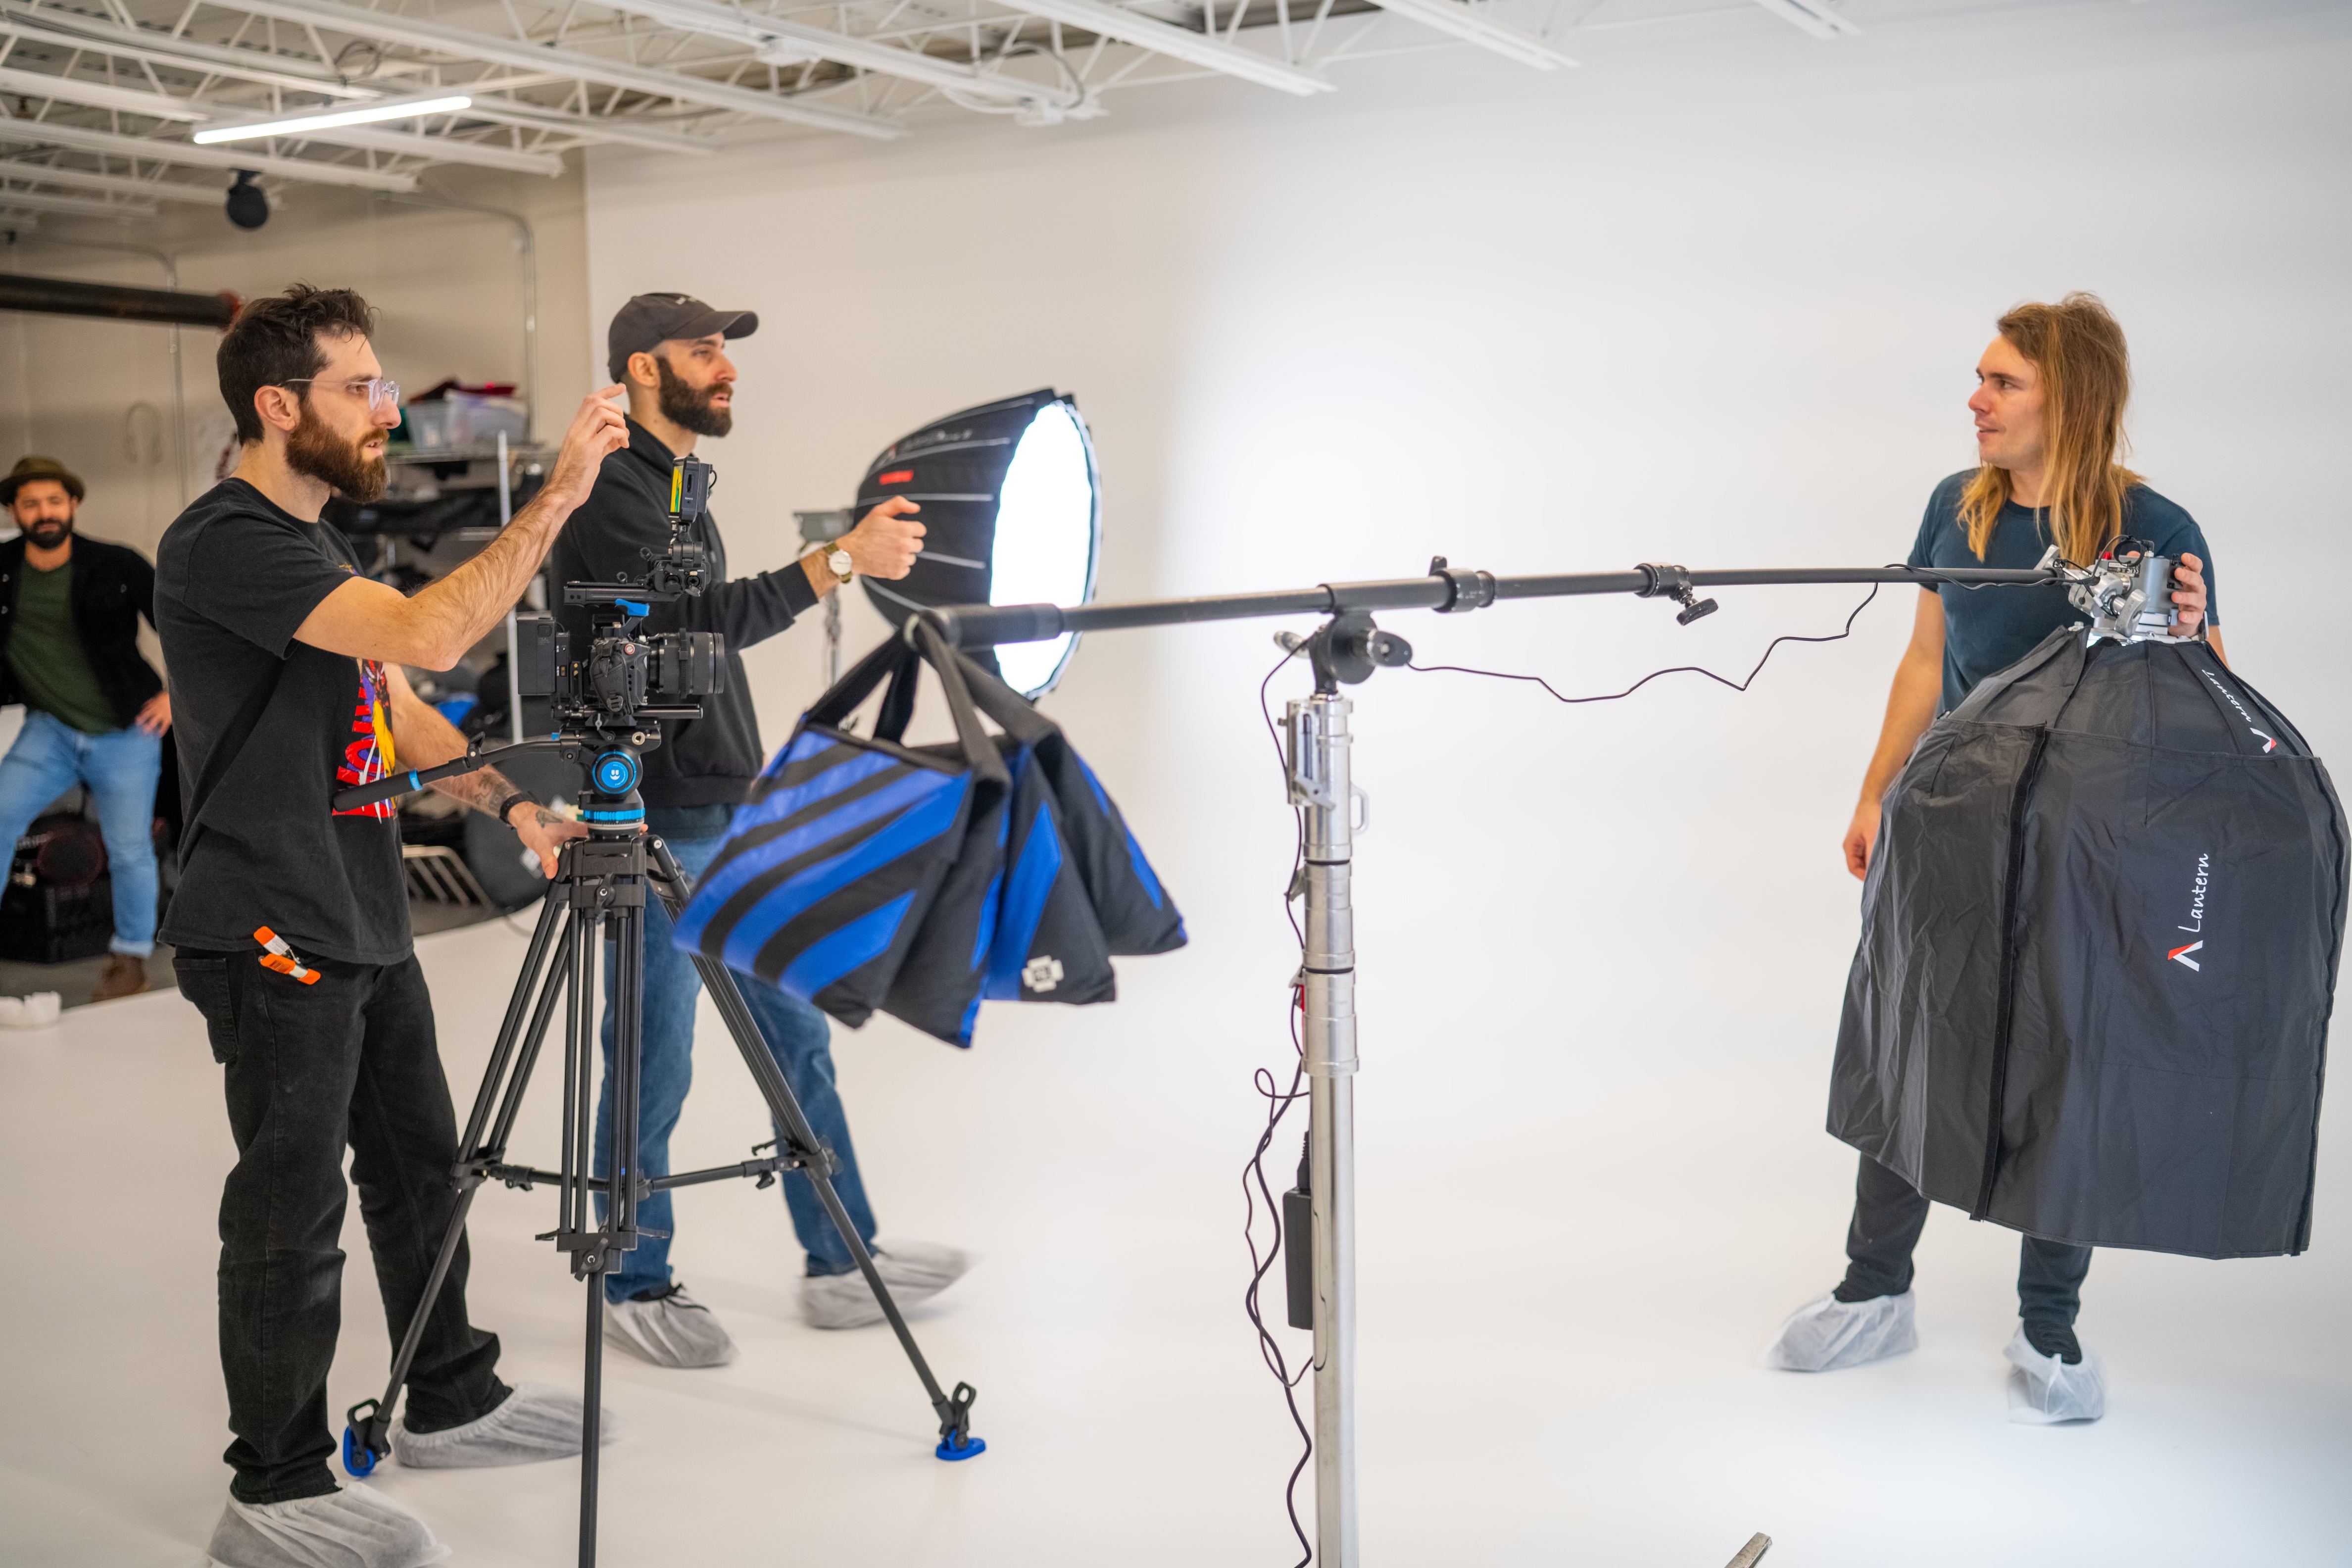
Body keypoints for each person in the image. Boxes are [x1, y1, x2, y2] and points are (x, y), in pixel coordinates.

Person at [157, 284, 632, 1568]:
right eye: (361, 389)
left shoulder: (312, 545)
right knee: (290, 1207)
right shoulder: (224, 542)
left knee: (425, 1167)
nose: (387, 413)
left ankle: (451, 1393)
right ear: (278, 406)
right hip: (272, 925)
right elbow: (433, 630)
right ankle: (274, 1487)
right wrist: (560, 495)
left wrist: (517, 807)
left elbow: (394, 702)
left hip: (360, 909)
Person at [1765, 293, 2220, 1418]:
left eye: (2001, 381)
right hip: (1951, 822)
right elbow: (1925, 661)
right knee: (1912, 1039)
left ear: (2069, 398)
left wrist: (2183, 634)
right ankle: (1874, 1290)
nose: (1974, 399)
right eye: (1979, 378)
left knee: (2067, 1069)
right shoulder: (1955, 509)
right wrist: (1874, 788)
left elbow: (2208, 702)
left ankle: (2048, 1326)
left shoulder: (2153, 530)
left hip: (2083, 842)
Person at [547, 292, 963, 1369]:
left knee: (796, 1039)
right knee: (652, 1060)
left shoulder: (681, 486)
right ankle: (633, 1279)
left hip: (728, 807)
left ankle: (842, 1260)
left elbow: (708, 638)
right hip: (652, 819)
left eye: (725, 351)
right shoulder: (610, 491)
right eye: (702, 351)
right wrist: (838, 561)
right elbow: (693, 623)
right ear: (644, 368)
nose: (725, 367)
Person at [0, 455, 171, 1000]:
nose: (45, 512)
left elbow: (187, 627)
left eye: (55, 501)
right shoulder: (3, 569)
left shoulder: (115, 564)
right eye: (31, 504)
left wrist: (177, 696)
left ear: (73, 504)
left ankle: (130, 960)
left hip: (126, 728)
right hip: (49, 729)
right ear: (13, 512)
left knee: (129, 847)